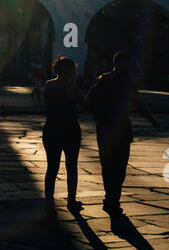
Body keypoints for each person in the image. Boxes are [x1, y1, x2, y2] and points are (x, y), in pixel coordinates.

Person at [85, 51, 159, 214]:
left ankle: (110, 198)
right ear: (122, 64)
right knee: (119, 167)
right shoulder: (126, 82)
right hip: (120, 129)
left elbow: (89, 101)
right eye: (130, 62)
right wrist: (152, 119)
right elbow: (138, 104)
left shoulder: (103, 79)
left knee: (108, 166)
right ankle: (113, 199)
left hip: (104, 127)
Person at [41, 56, 85, 217]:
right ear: (68, 71)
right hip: (70, 130)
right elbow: (84, 105)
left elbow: (46, 105)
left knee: (52, 167)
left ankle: (49, 201)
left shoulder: (48, 85)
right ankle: (71, 200)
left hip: (51, 129)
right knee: (71, 166)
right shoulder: (71, 87)